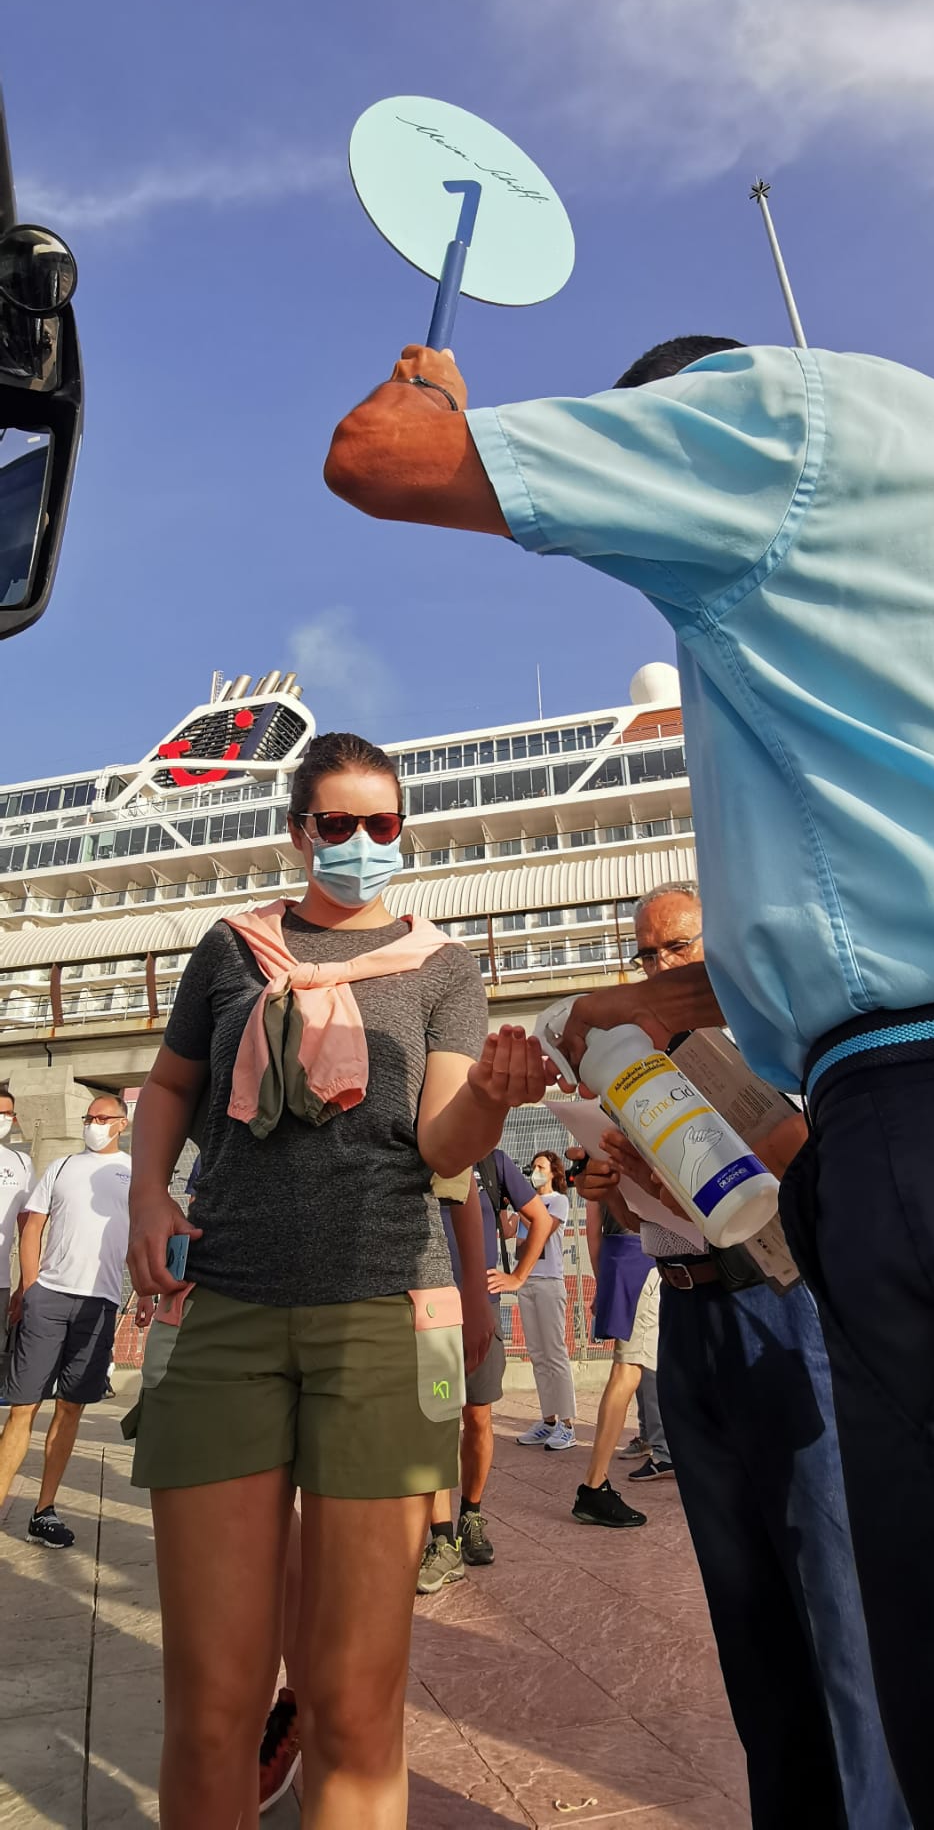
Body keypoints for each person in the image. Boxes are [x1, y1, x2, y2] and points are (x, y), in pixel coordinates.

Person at [324, 331, 934, 1823]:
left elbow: (377, 461)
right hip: (790, 1216)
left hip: (901, 1107)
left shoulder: (768, 418)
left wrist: (437, 397)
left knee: (902, 1662)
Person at [124, 730, 551, 1830]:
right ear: (299, 828)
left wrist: (497, 1100)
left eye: (383, 823)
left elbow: (446, 1145)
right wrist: (148, 1195)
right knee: (212, 1705)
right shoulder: (232, 949)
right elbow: (170, 1083)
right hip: (224, 1308)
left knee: (357, 1708)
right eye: (339, 823)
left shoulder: (445, 967)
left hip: (380, 1315)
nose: (363, 842)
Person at [572, 886, 908, 1830]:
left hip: (783, 1311)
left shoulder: (769, 1038)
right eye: (644, 956)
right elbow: (645, 1219)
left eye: (676, 949)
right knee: (745, 1608)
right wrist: (616, 1186)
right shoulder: (629, 1065)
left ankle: (873, 1811)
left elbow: (810, 1176)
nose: (660, 971)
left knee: (832, 1598)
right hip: (688, 1322)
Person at [0, 1093, 131, 1547]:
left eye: (103, 1118)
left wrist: (149, 1294)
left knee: (71, 1407)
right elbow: (33, 1224)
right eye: (89, 1117)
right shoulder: (60, 1167)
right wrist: (31, 1286)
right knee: (22, 1408)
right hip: (49, 1297)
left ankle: (43, 1512)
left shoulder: (134, 1173)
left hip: (99, 1303)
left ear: (122, 1123)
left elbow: (143, 1233)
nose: (94, 1124)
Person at [418, 1150, 552, 1593]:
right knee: (435, 1423)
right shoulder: (416, 1148)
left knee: (478, 1417)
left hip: (481, 1313)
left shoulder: (493, 1163)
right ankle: (441, 1542)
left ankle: (471, 1516)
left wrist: (516, 1277)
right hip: (428, 1311)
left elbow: (541, 1220)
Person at [571, 1202, 655, 1529]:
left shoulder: (599, 1154)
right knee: (628, 1371)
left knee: (628, 1371)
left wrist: (604, 1277)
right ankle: (594, 1484)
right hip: (645, 1258)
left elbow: (594, 1225)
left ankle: (595, 1484)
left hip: (623, 1257)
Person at [494, 1151, 575, 1450]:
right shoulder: (525, 1204)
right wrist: (502, 1204)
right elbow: (507, 1230)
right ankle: (548, 1419)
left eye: (540, 1167)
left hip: (549, 1283)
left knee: (555, 1353)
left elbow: (544, 1228)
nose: (534, 1172)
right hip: (526, 1282)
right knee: (538, 1355)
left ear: (553, 1172)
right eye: (532, 1167)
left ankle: (567, 1424)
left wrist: (522, 1202)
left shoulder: (558, 1202)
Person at [0, 1084, 33, 1395]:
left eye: (7, 1113)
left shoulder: (20, 1164)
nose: (3, 1119)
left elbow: (29, 1229)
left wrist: (24, 1283)